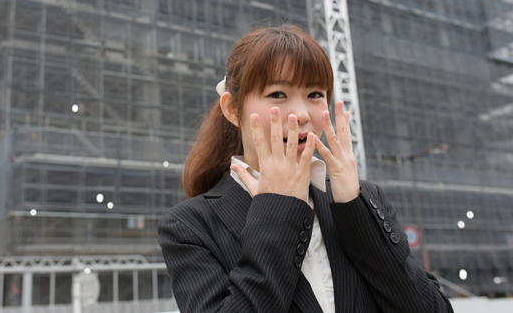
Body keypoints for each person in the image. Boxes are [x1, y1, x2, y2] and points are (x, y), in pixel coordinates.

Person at [158, 24, 454, 313]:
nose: (301, 114)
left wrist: (355, 209)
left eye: (315, 94)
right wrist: (276, 210)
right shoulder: (190, 225)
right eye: (277, 94)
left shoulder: (358, 197)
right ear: (232, 109)